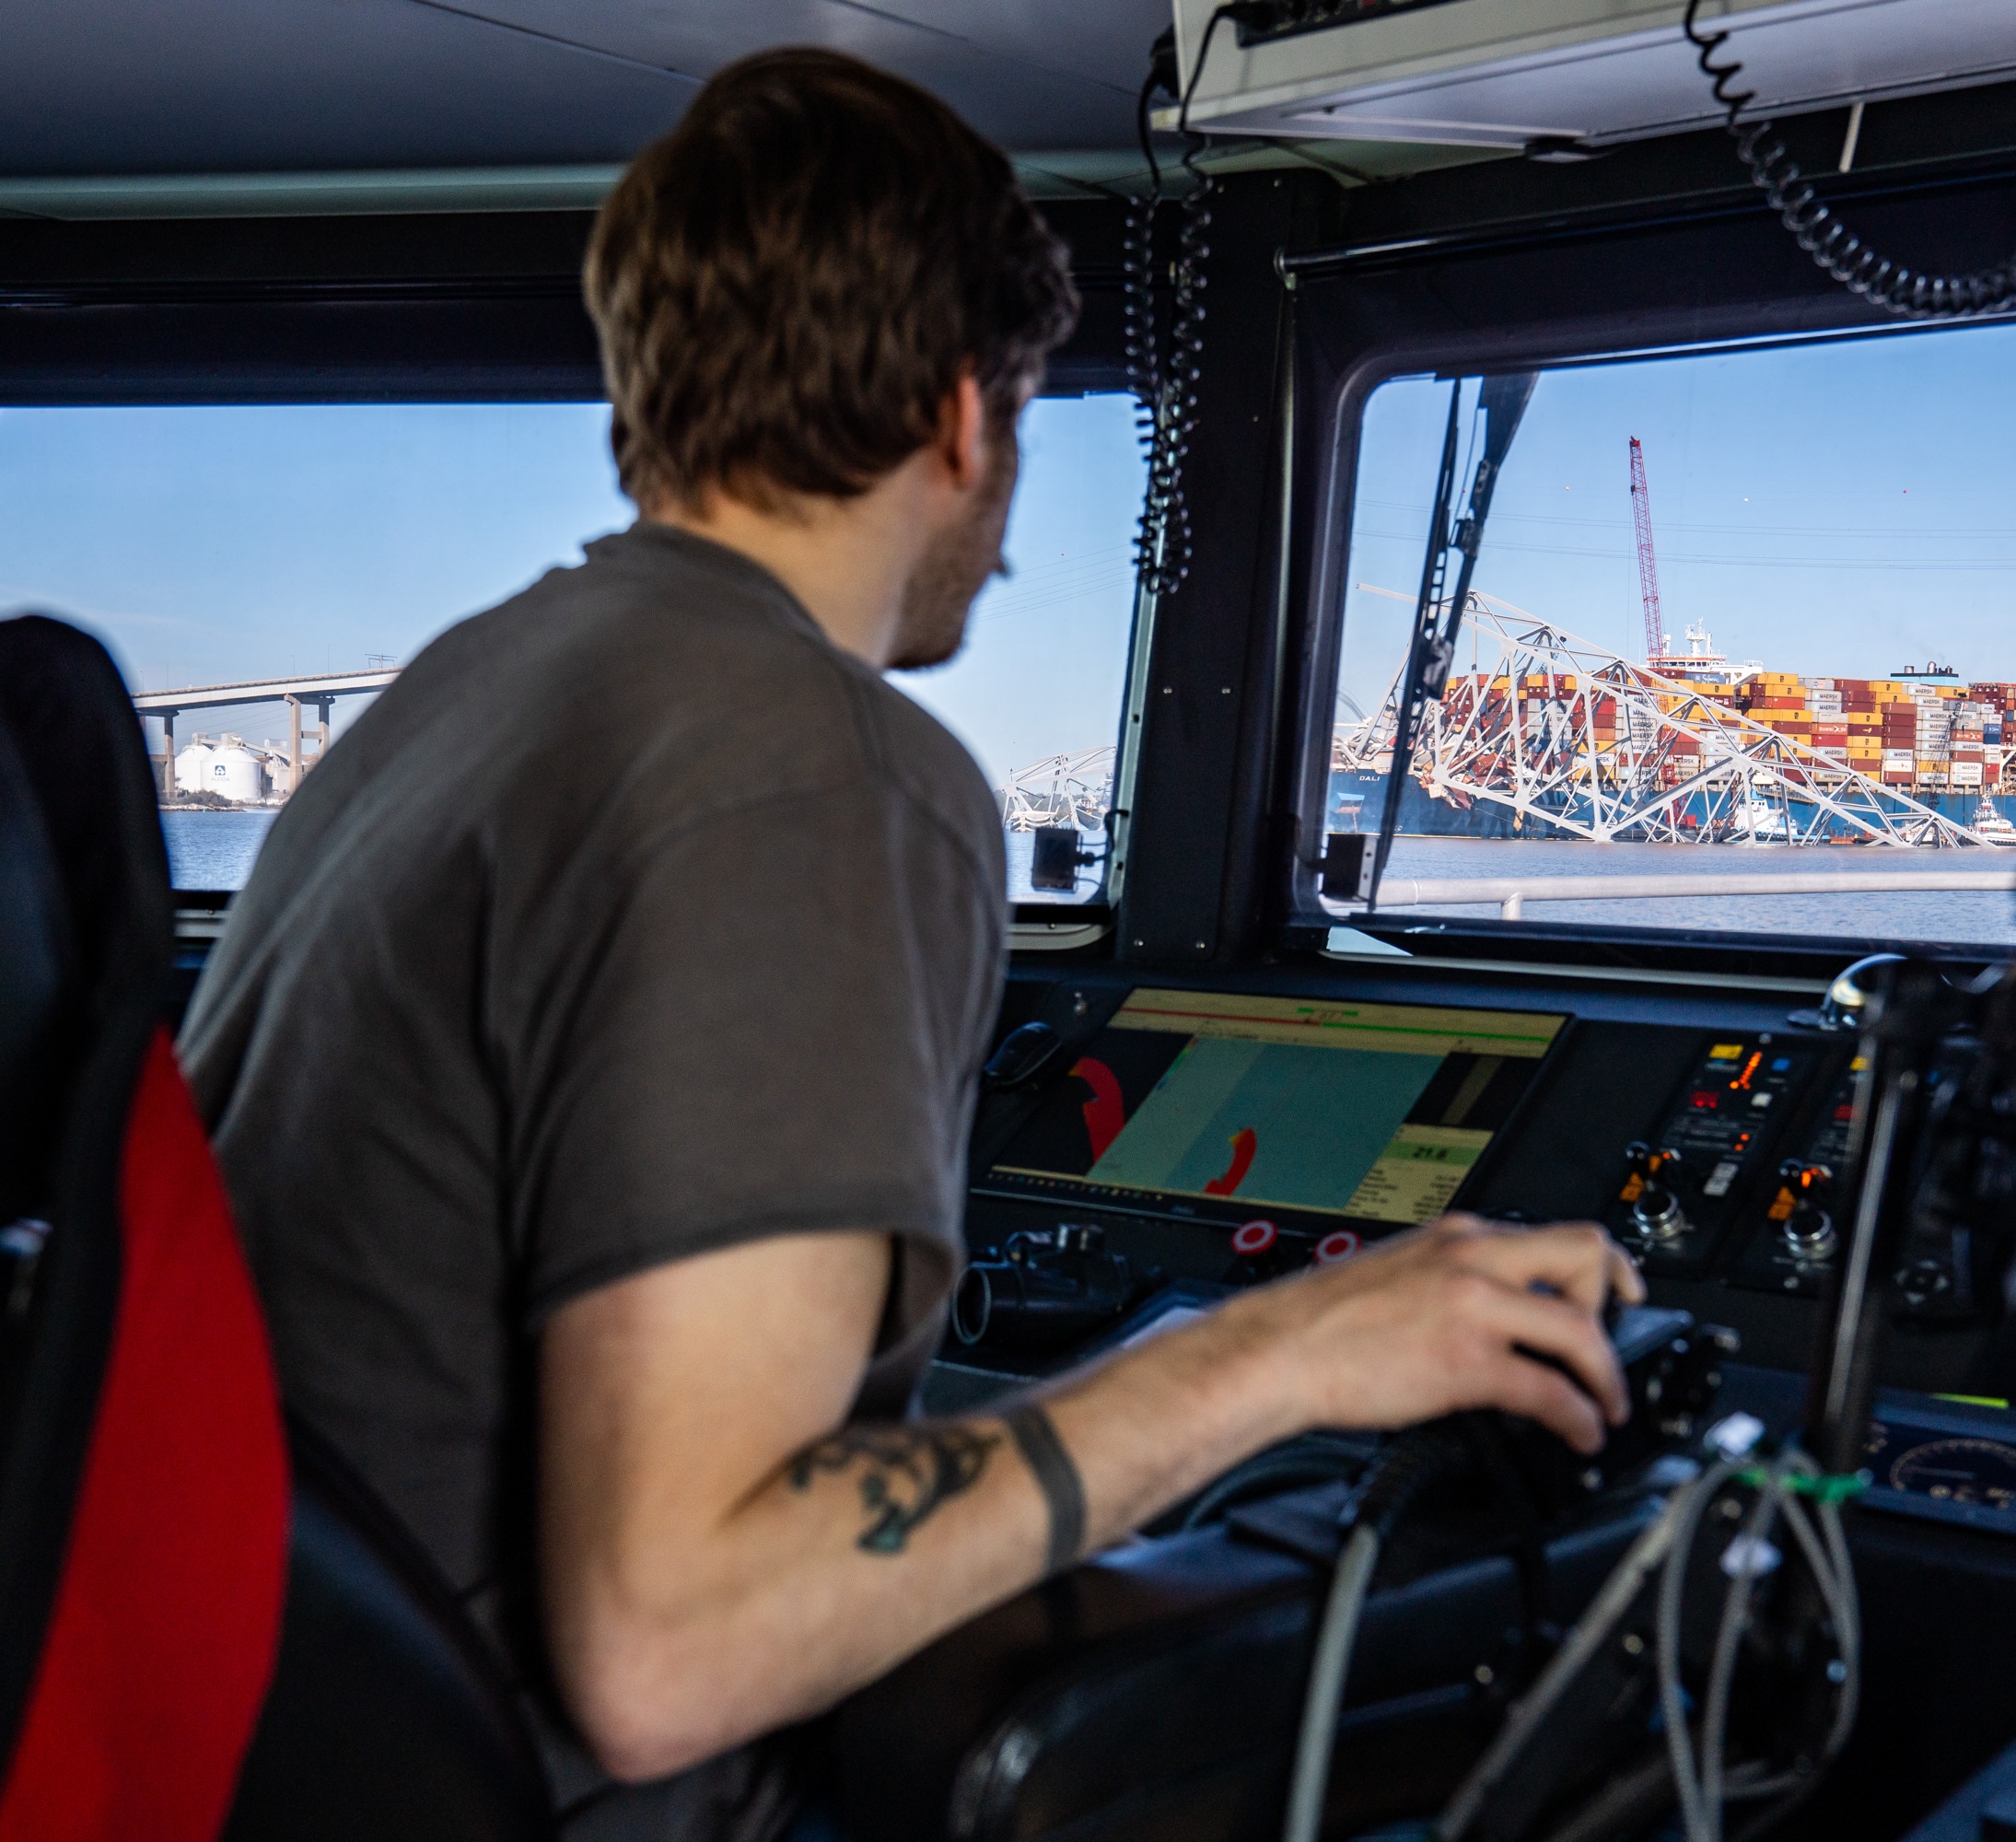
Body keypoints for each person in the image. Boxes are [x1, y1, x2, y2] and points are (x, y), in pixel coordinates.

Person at [179, 44, 1638, 1842]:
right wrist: (1282, 1355)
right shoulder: (812, 765)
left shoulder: (464, 693)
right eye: (1019, 428)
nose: (1010, 536)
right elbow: (671, 1638)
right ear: (965, 416)